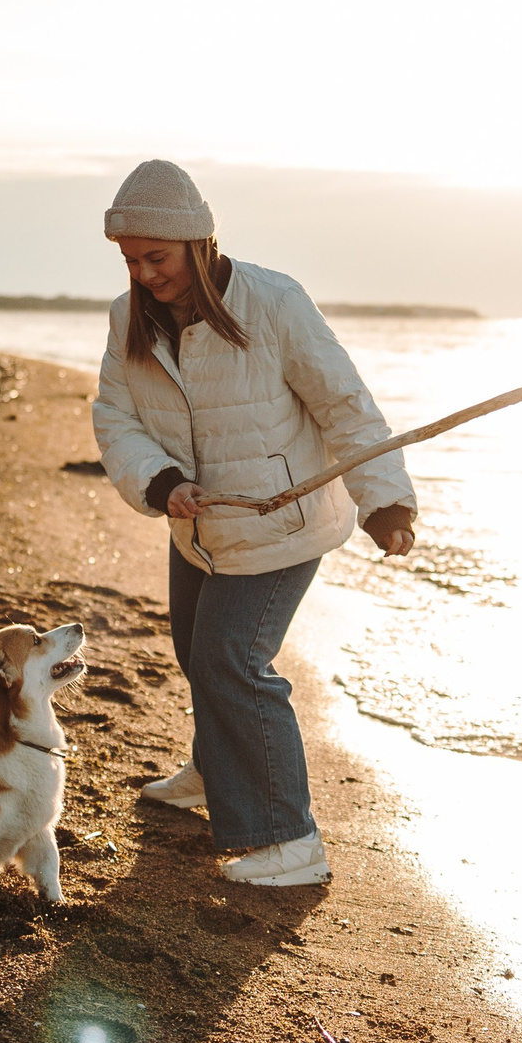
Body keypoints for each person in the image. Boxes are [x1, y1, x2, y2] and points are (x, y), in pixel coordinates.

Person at [91, 160, 416, 888]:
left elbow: (345, 403)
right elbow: (113, 414)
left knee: (232, 660)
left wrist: (385, 500)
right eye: (130, 261)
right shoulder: (128, 317)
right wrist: (161, 480)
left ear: (199, 244)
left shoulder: (274, 302)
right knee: (194, 651)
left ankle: (288, 837)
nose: (143, 275)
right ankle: (215, 772)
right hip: (199, 525)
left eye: (157, 258)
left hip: (283, 527)